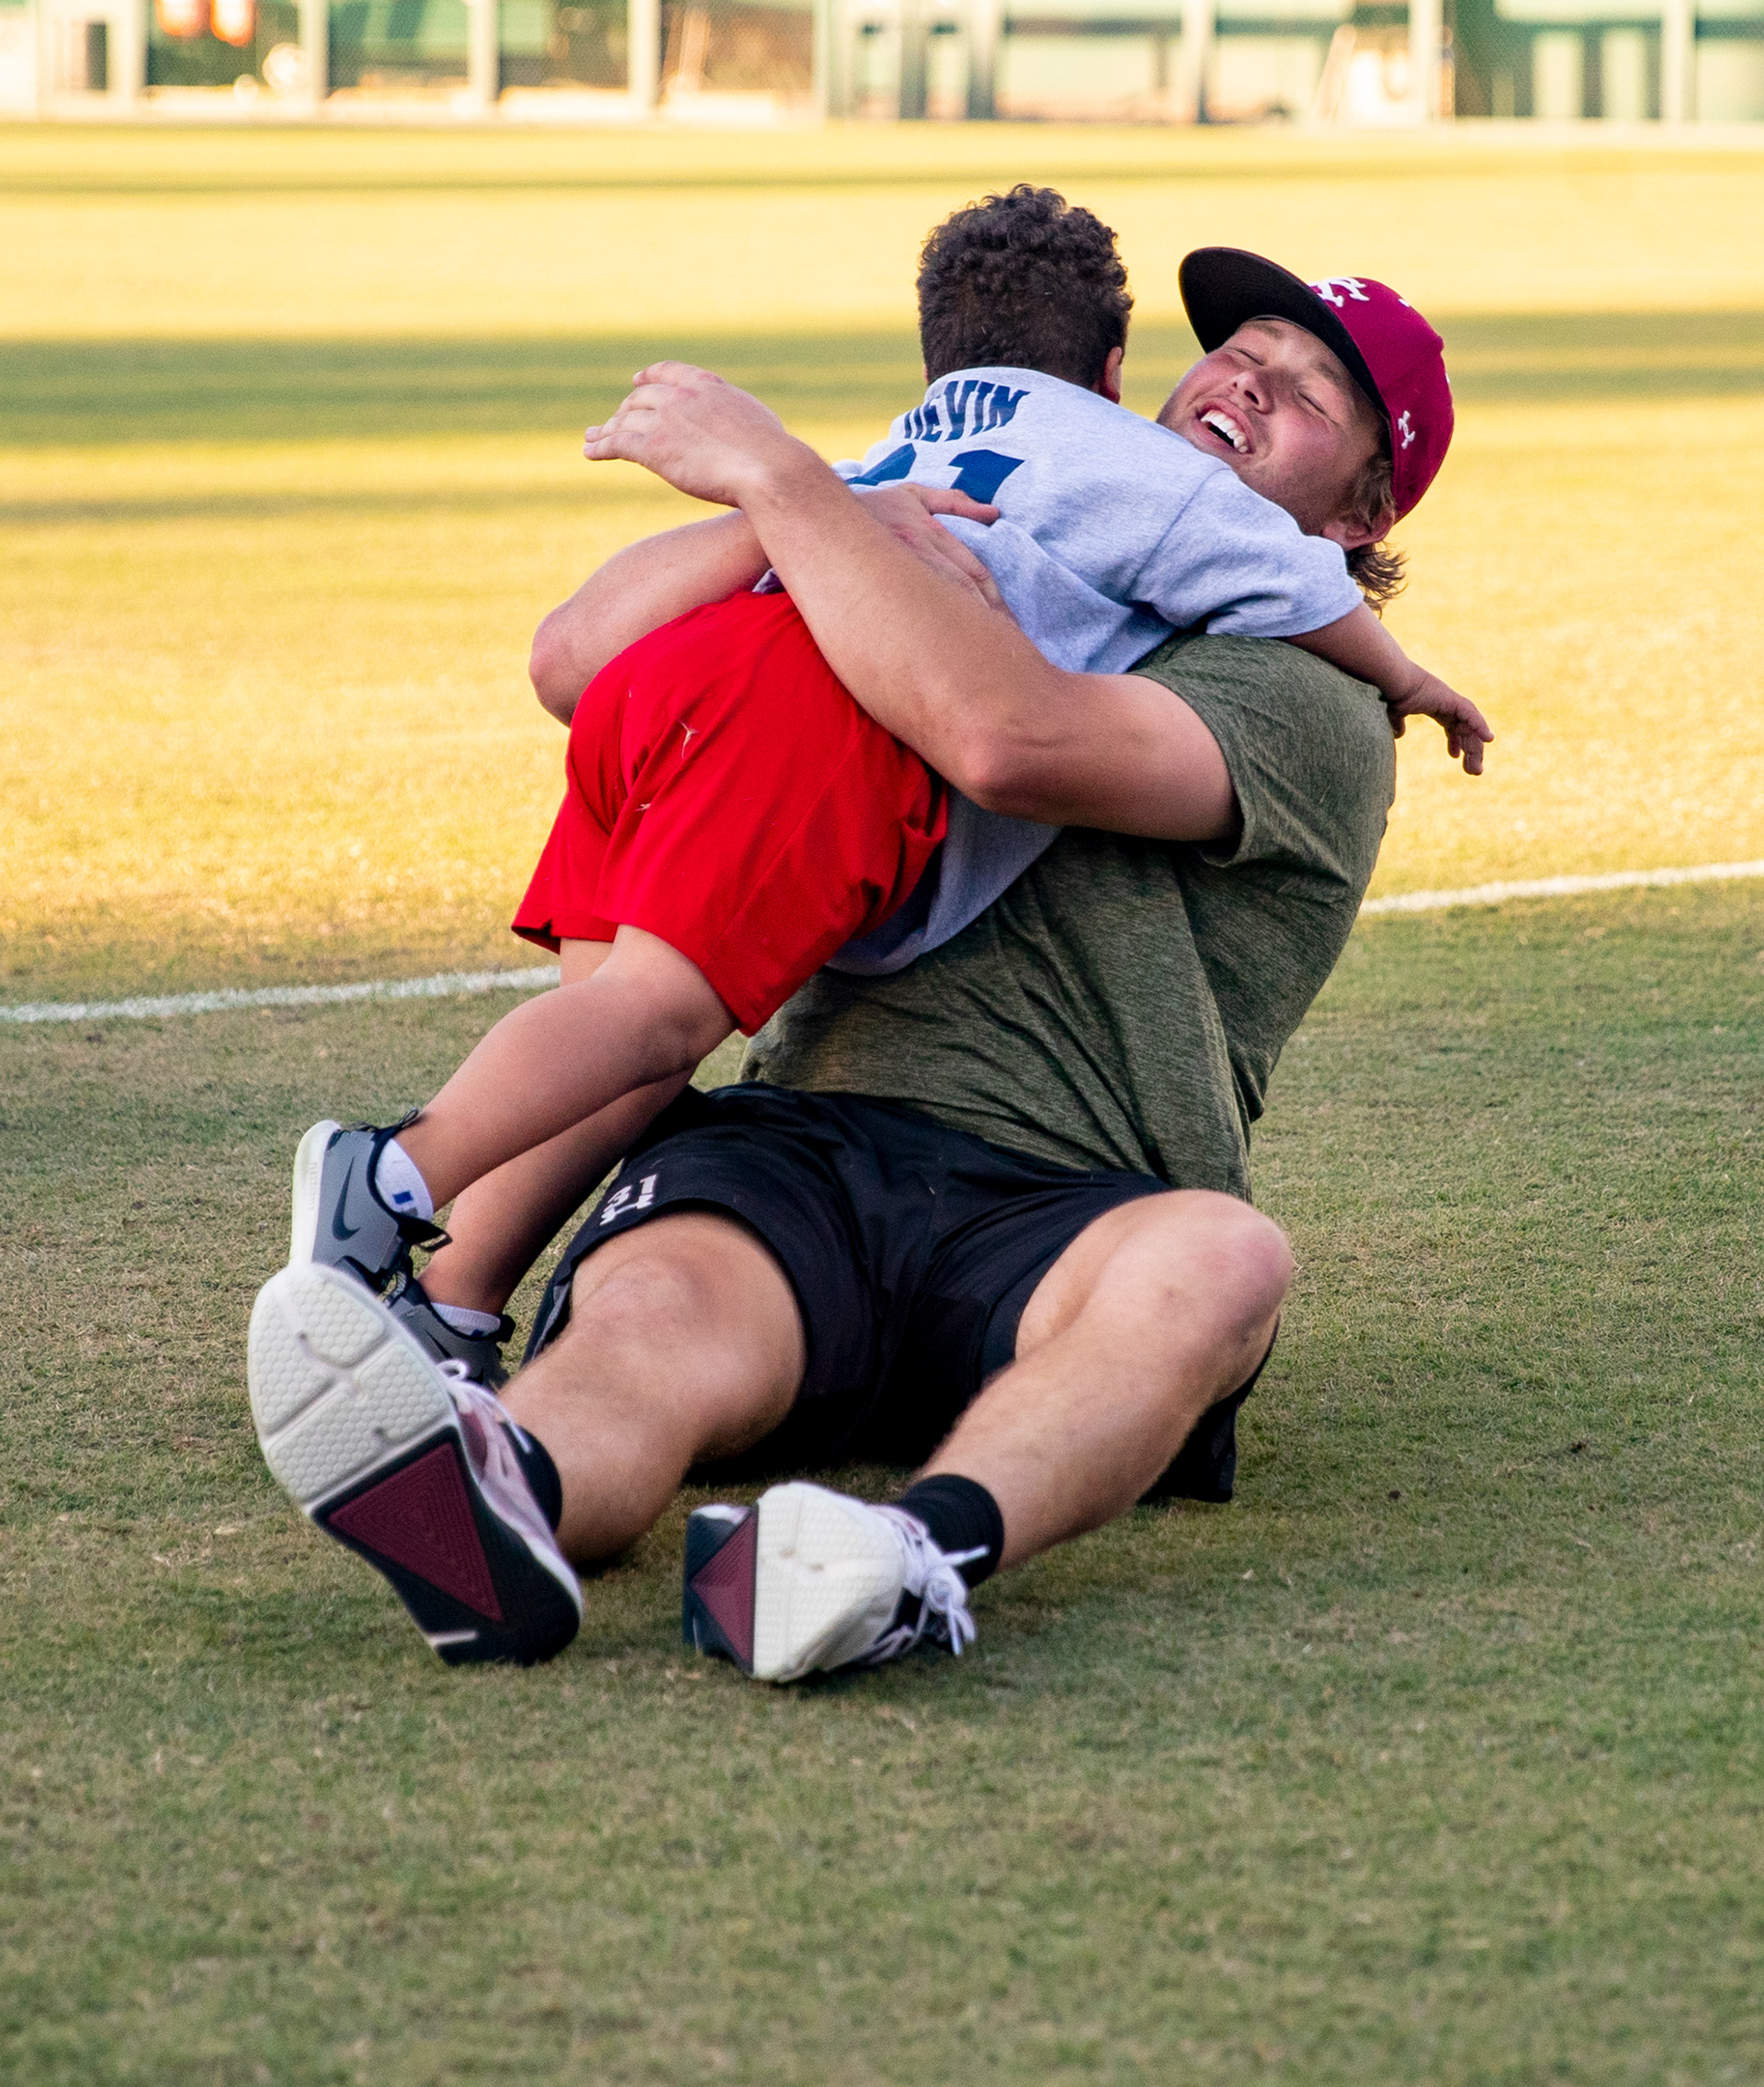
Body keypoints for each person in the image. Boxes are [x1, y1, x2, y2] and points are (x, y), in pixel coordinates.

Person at [246, 244, 1459, 1682]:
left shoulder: (1306, 694)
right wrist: (802, 511)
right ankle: (505, 1494)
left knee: (1223, 1258)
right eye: (1240, 353)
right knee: (646, 1321)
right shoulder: (976, 541)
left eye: (1313, 395)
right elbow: (586, 649)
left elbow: (1007, 736)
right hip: (802, 1155)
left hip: (1069, 1204)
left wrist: (787, 480)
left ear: (1365, 506)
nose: (1251, 384)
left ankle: (910, 1557)